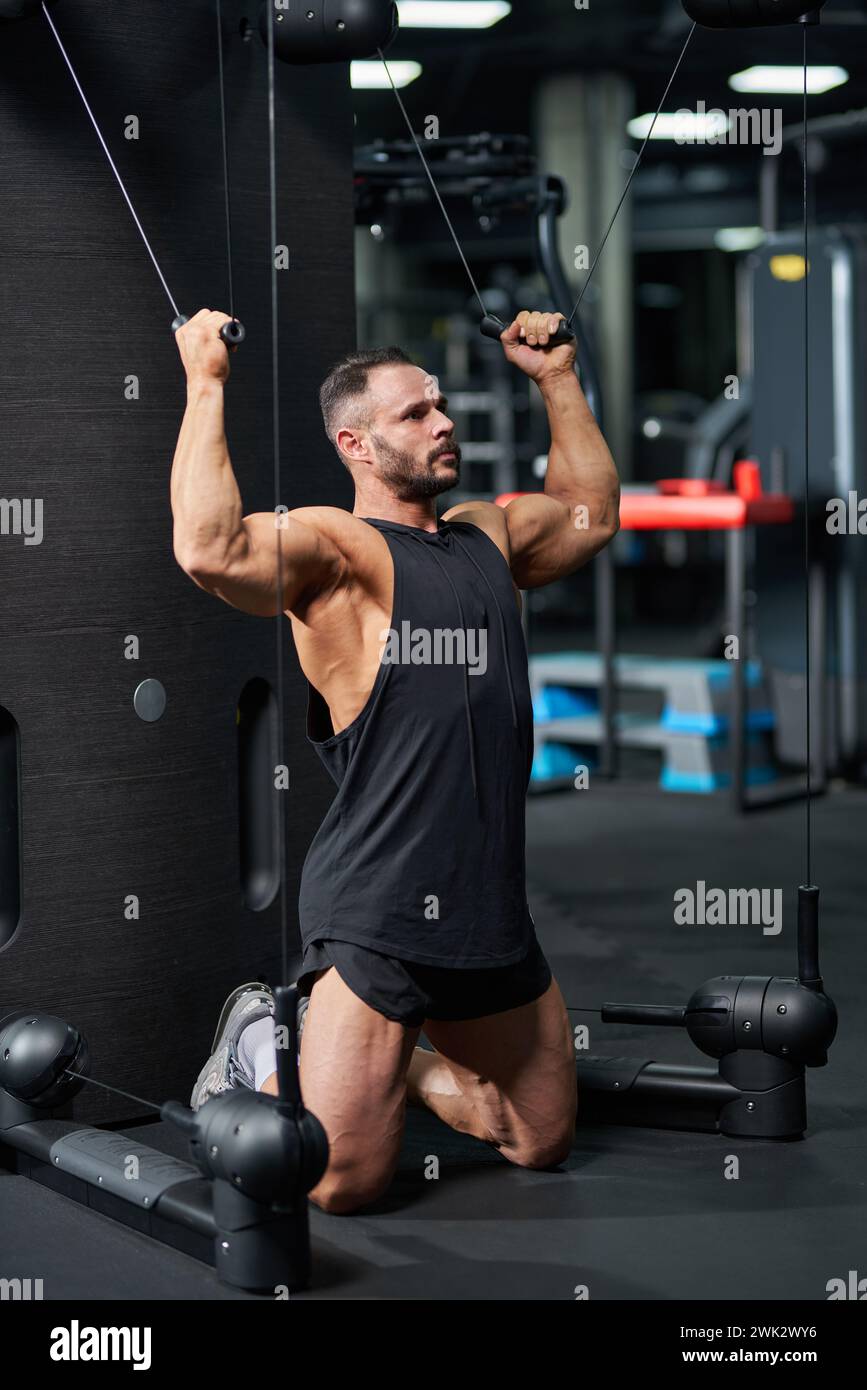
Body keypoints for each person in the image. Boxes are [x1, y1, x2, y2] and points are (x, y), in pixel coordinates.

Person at [172, 307, 620, 1213]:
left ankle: (405, 1067)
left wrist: (556, 379)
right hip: (379, 906)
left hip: (486, 904)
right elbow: (210, 550)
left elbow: (590, 515)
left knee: (539, 1140)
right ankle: (264, 1037)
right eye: (415, 413)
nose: (443, 420)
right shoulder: (341, 551)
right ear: (357, 444)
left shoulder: (484, 536)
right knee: (343, 1184)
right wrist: (205, 382)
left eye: (440, 405)